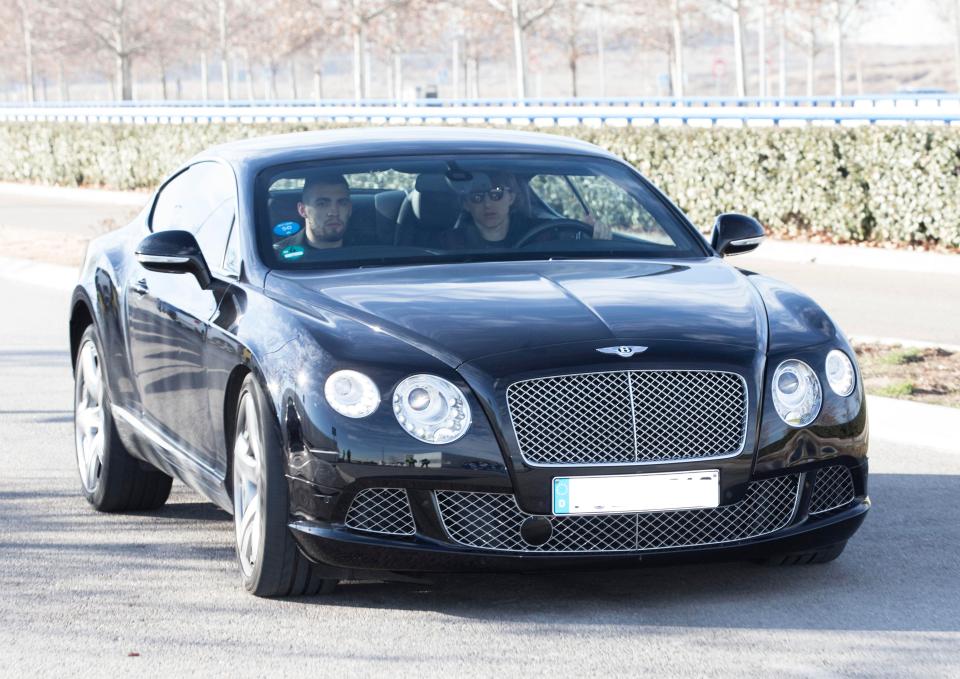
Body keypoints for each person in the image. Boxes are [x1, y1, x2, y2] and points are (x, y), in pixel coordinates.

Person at [446, 171, 611, 249]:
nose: (488, 204)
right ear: (466, 204)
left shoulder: (543, 234)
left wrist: (590, 236)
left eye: (496, 194)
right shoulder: (450, 244)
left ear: (511, 198)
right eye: (477, 197)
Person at [273, 173, 352, 256]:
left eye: (342, 203)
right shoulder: (278, 255)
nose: (334, 213)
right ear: (302, 210)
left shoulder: (364, 248)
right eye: (322, 204)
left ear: (350, 209)